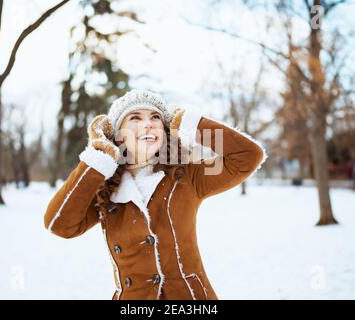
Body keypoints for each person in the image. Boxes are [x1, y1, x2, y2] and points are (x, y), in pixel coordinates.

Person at [43, 89, 267, 300]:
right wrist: (97, 160)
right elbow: (59, 224)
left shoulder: (186, 177)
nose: (148, 124)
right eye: (135, 118)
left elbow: (249, 156)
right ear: (117, 136)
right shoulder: (105, 189)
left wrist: (192, 124)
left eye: (155, 118)